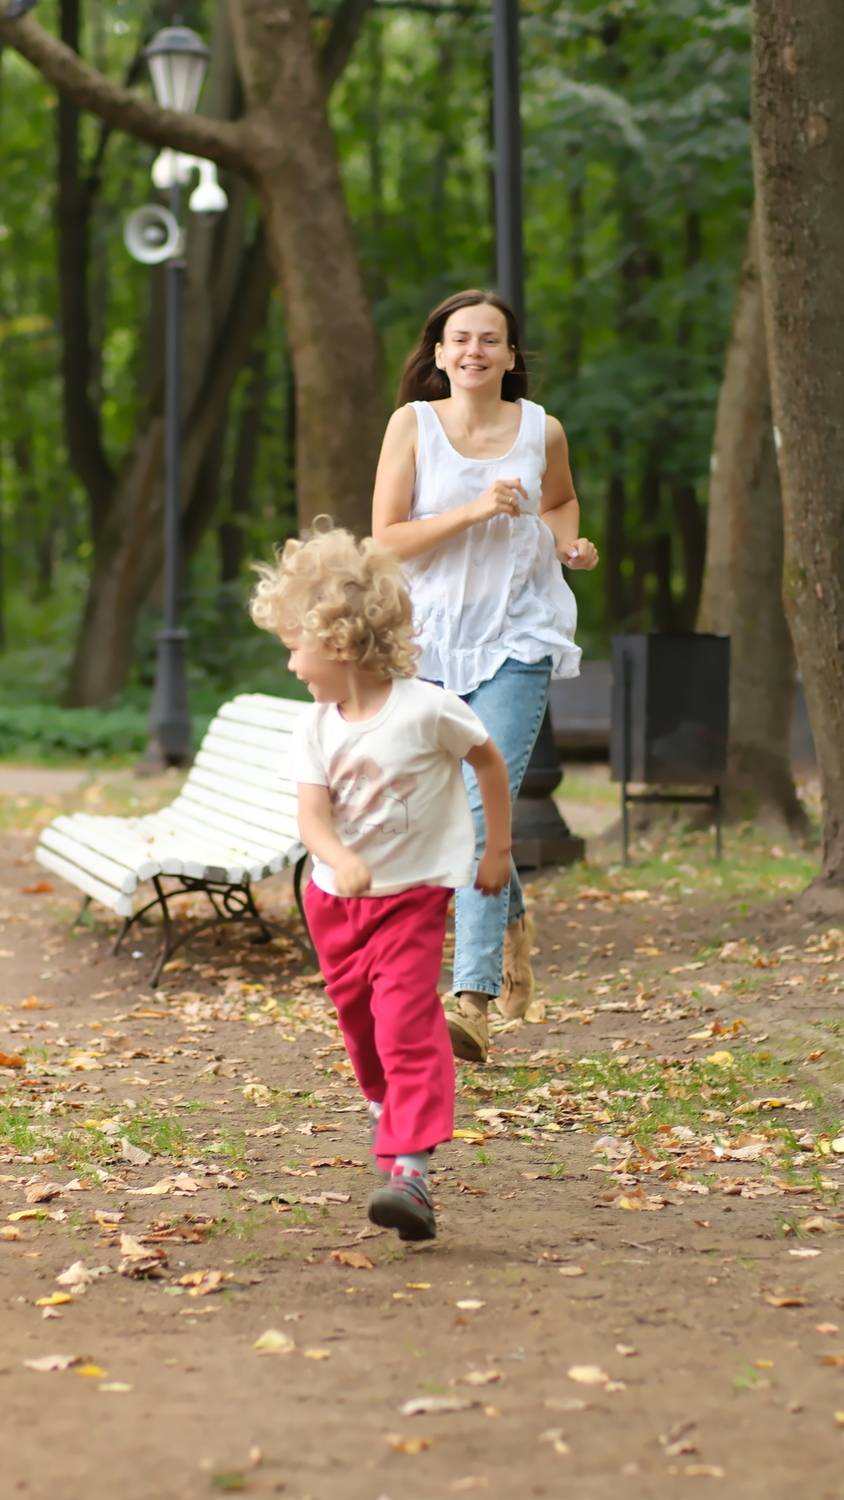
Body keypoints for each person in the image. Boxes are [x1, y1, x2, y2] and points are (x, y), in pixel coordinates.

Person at [250, 524, 511, 1242]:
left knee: (405, 1023)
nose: (292, 663)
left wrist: (497, 850)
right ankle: (387, 1108)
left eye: (295, 647)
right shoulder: (315, 728)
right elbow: (312, 819)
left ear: (337, 642)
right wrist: (340, 857)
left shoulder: (427, 709)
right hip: (334, 904)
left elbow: (488, 761)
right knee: (362, 1028)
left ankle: (410, 1172)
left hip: (413, 898)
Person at [372, 289, 599, 1065]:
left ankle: (470, 1002)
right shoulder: (412, 426)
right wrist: (474, 510)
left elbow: (561, 503)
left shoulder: (542, 430)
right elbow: (386, 539)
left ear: (510, 355)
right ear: (439, 353)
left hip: (519, 632)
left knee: (477, 807)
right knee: (458, 810)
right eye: (460, 338)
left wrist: (568, 545)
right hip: (430, 642)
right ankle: (510, 920)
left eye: (490, 339)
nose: (474, 351)